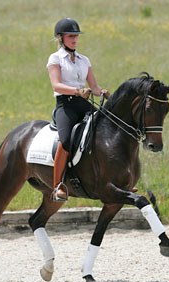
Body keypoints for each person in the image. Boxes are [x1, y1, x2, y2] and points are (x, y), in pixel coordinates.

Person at [47, 17, 110, 202]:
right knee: (66, 140)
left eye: (76, 36)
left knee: (106, 132)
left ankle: (114, 176)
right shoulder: (55, 58)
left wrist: (103, 92)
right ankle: (57, 185)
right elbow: (56, 85)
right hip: (66, 106)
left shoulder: (84, 60)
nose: (74, 39)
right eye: (70, 36)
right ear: (61, 38)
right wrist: (77, 91)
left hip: (84, 104)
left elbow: (94, 87)